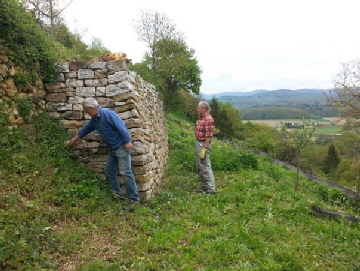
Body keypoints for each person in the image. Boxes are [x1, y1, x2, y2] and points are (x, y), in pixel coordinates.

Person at [65, 97, 140, 212]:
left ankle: (134, 199)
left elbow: (121, 127)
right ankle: (118, 194)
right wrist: (72, 140)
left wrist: (127, 141)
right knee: (109, 170)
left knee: (126, 172)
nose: (86, 113)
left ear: (91, 108)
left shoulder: (108, 114)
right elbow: (85, 130)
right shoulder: (95, 119)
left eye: (86, 111)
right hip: (113, 149)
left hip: (121, 147)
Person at [195, 101, 217, 194]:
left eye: (199, 108)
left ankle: (211, 189)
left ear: (204, 109)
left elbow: (209, 135)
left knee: (205, 165)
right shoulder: (202, 118)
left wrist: (205, 148)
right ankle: (204, 186)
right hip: (198, 142)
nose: (198, 109)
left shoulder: (208, 119)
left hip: (203, 144)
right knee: (200, 166)